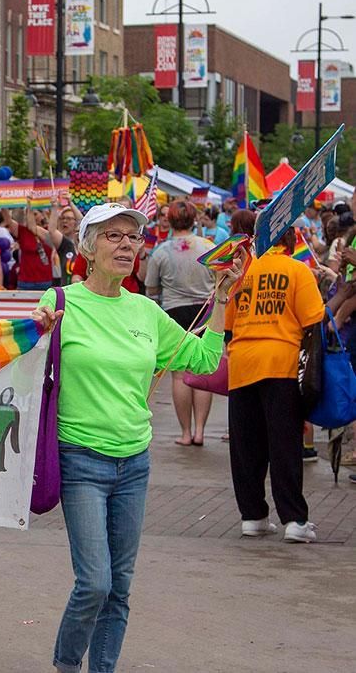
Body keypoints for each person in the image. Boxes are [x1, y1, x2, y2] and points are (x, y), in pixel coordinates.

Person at [32, 203, 235, 673]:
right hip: (80, 459)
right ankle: (66, 665)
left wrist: (222, 298)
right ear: (87, 246)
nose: (126, 245)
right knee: (95, 583)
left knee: (120, 586)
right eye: (113, 236)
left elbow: (203, 360)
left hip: (134, 464)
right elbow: (14, 356)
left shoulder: (146, 310)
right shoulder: (59, 303)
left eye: (133, 237)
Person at [225, 222, 326, 543]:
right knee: (284, 445)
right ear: (292, 240)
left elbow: (228, 324)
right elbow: (314, 320)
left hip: (242, 363)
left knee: (246, 447)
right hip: (281, 363)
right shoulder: (298, 271)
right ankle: (294, 520)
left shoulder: (242, 273)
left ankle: (252, 516)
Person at [145, 201, 217, 445]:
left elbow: (151, 288)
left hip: (174, 312)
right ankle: (200, 432)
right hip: (205, 311)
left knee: (179, 376)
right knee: (202, 372)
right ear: (194, 219)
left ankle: (185, 433)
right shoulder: (208, 247)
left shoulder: (161, 252)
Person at [8, 203, 56, 291]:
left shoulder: (49, 232)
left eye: (35, 214)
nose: (32, 217)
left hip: (46, 281)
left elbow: (33, 226)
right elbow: (9, 220)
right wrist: (2, 206)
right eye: (29, 213)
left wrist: (54, 207)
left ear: (42, 215)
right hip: (25, 282)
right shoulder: (22, 231)